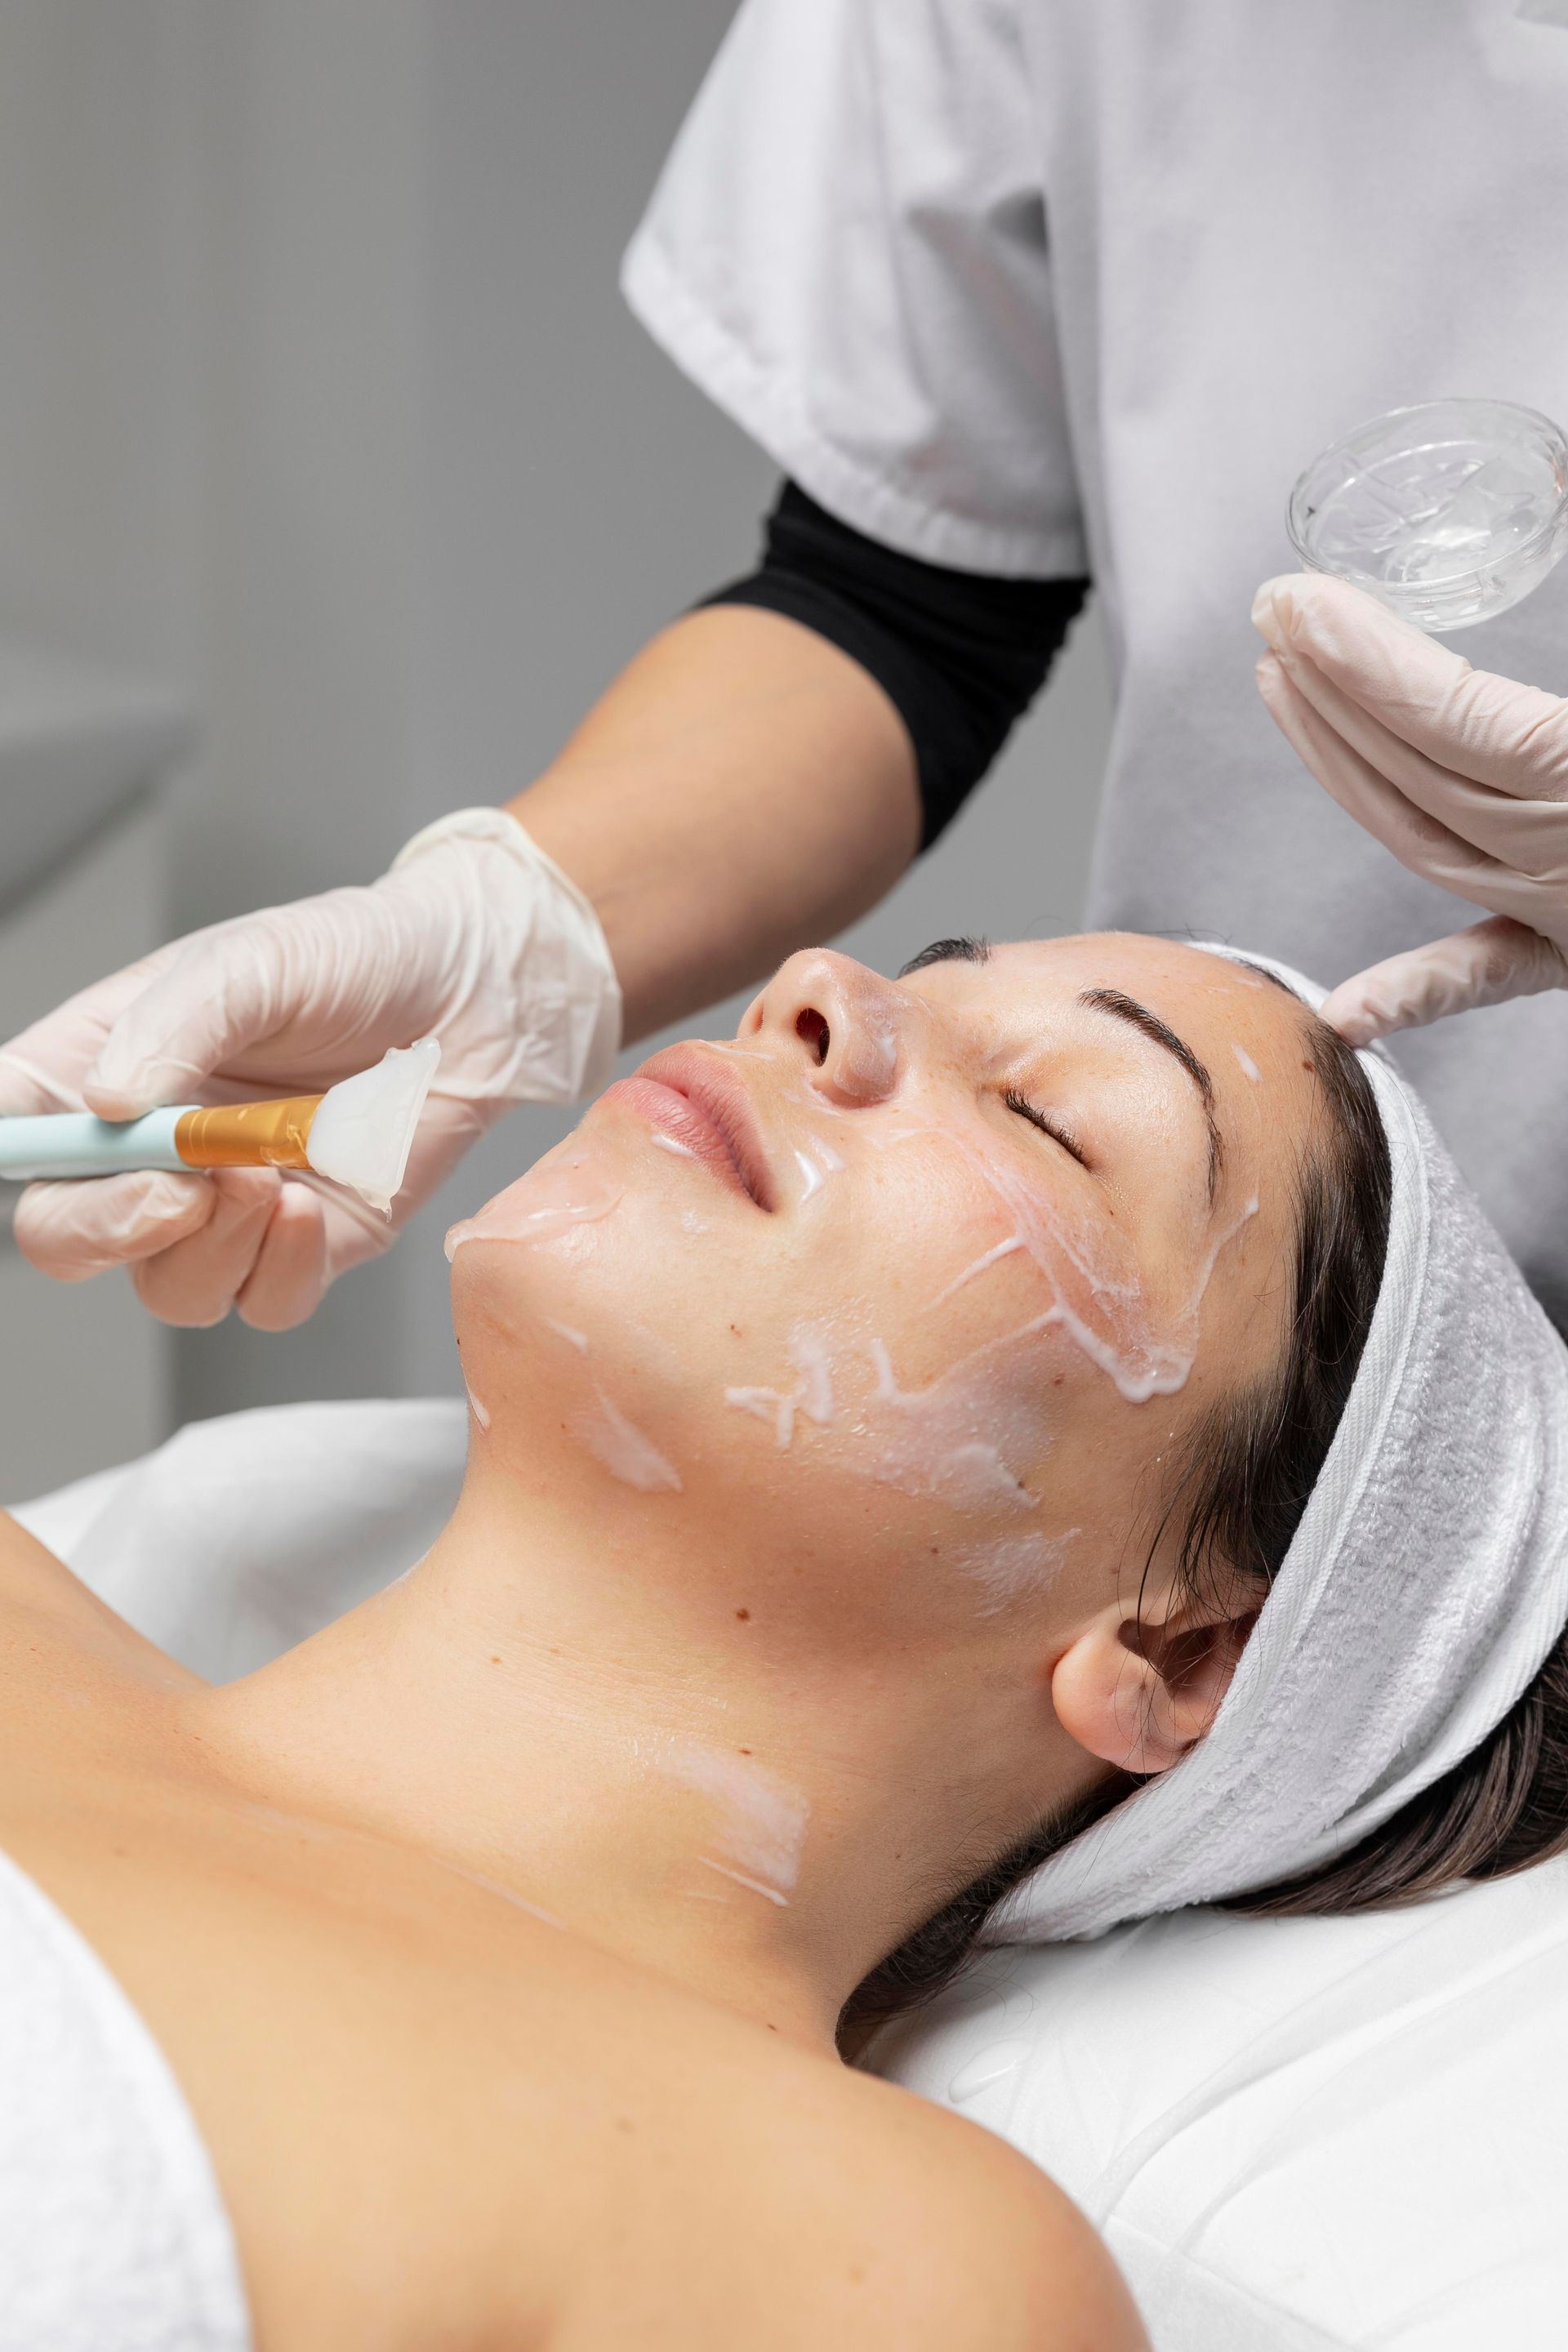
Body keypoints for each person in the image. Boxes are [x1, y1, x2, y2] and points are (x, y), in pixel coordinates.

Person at [5, 927, 1568, 2347]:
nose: (817, 987)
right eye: (920, 974)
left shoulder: (881, 2261)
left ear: (1179, 1658)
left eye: (1048, 1119)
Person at [7, 5, 1568, 1333]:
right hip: (1241, 1372)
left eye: (1042, 1116)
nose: (815, 989)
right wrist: (512, 932)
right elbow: (899, 598)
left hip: (1277, 1409)